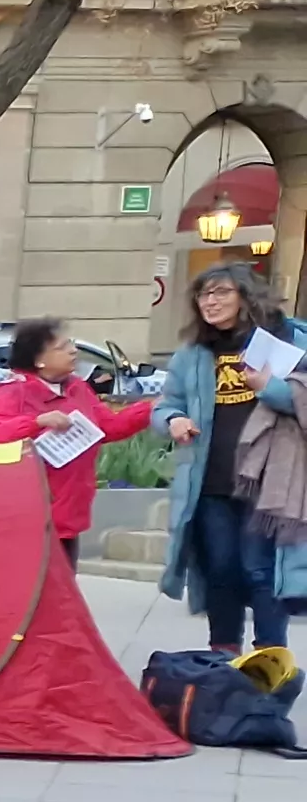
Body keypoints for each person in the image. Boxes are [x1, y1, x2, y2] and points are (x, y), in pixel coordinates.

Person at [154, 266, 307, 653]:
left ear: (246, 296)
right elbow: (165, 404)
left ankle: (269, 659)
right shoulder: (193, 353)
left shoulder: (288, 341)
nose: (210, 302)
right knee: (220, 570)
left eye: (221, 292)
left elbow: (302, 400)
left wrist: (268, 388)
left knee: (260, 571)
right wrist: (173, 419)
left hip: (268, 481)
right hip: (211, 481)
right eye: (203, 295)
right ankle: (223, 657)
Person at [0, 317, 155, 563]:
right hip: (31, 517)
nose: (73, 350)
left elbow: (107, 426)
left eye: (71, 343)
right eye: (62, 347)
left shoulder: (76, 387)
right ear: (39, 360)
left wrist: (152, 408)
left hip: (69, 514)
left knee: (65, 581)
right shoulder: (14, 391)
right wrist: (37, 422)